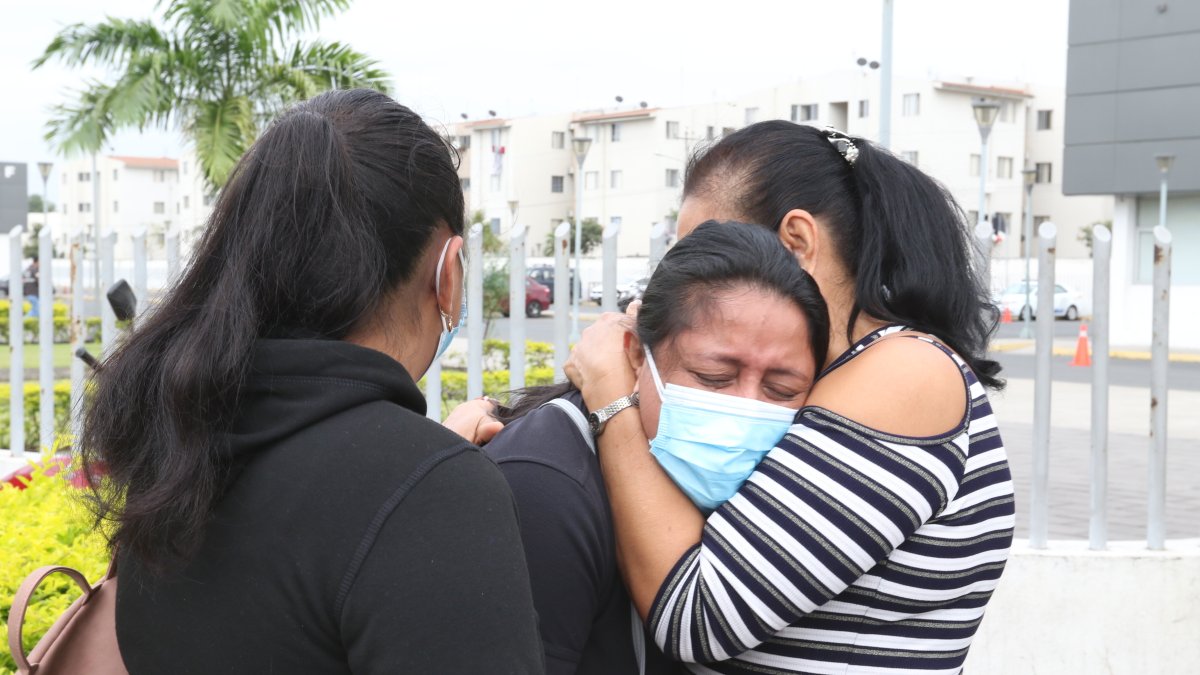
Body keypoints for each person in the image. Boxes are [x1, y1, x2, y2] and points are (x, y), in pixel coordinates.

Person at [79, 89, 544, 674]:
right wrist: (426, 473)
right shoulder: (433, 496)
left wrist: (421, 463)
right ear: (448, 272)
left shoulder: (179, 432)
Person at [565, 121, 1014, 673]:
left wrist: (612, 394)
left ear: (796, 243)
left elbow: (699, 616)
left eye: (711, 245)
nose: (686, 279)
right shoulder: (834, 379)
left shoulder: (903, 372)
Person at [483, 220, 829, 674]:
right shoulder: (546, 485)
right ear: (634, 353)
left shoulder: (787, 488)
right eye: (713, 378)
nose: (745, 408)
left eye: (781, 389)